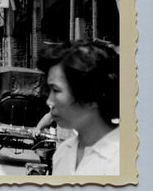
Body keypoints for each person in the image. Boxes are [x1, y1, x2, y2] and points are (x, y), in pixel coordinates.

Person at [36, 40, 119, 175]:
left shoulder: (122, 159)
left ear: (90, 95)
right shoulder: (63, 153)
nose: (49, 101)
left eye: (56, 90)